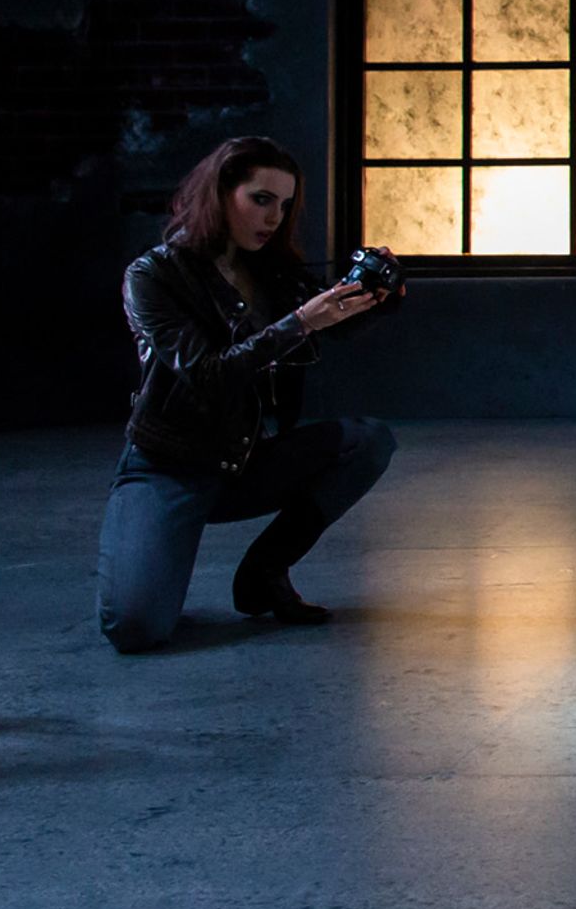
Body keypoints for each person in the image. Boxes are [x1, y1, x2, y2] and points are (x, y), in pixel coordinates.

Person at [101, 135, 399, 653]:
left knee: (368, 441)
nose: (274, 218)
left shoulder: (271, 272)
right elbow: (207, 372)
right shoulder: (153, 275)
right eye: (260, 199)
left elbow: (331, 327)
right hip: (169, 466)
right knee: (136, 629)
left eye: (284, 206)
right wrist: (300, 322)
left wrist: (377, 295)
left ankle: (266, 571)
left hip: (246, 462)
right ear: (219, 194)